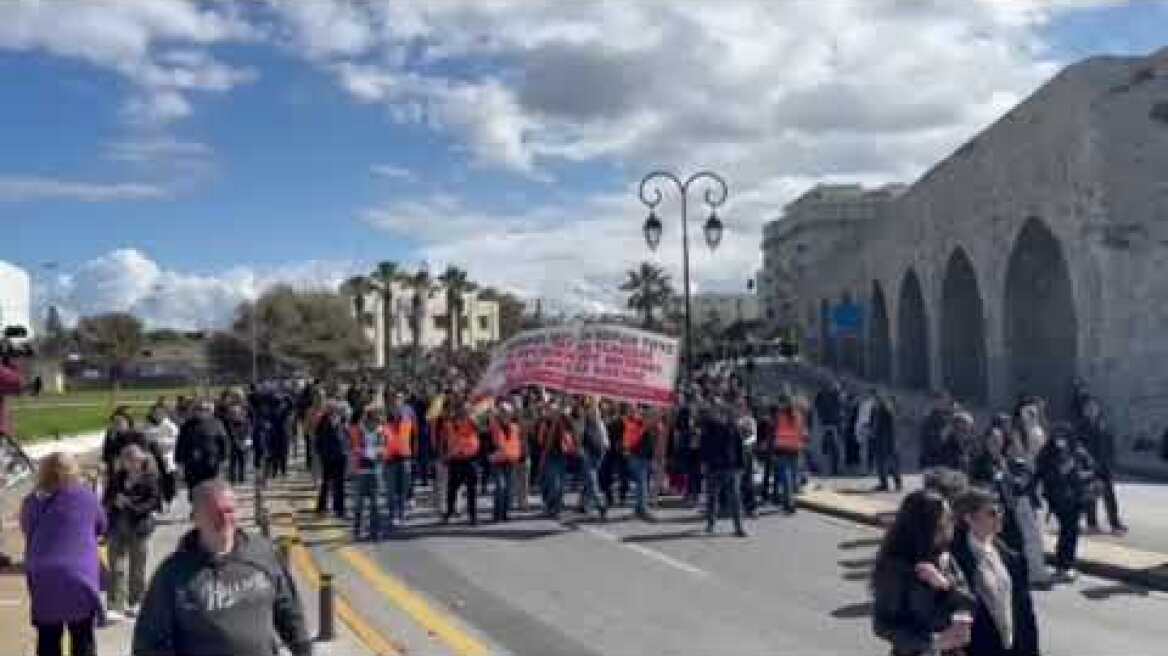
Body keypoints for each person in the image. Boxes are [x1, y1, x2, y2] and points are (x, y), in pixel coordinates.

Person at [132, 479, 312, 656]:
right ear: (195, 518)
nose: (225, 519)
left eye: (229, 511)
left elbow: (289, 609)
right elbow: (147, 643)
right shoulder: (172, 574)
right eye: (214, 513)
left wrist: (303, 648)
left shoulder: (262, 553)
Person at [20, 452, 106, 656]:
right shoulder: (86, 496)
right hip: (78, 574)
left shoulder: (32, 501)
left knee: (48, 637)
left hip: (43, 572)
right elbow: (101, 525)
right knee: (82, 635)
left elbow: (28, 529)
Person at [871, 489, 975, 656]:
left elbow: (969, 602)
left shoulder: (944, 556)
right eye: (944, 523)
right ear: (925, 527)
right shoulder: (896, 566)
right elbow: (883, 625)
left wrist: (946, 586)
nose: (951, 526)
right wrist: (932, 642)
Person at [950, 487, 1040, 656]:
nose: (999, 517)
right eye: (991, 513)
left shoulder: (1011, 557)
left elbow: (1025, 612)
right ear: (969, 518)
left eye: (1000, 511)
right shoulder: (953, 559)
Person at [103, 443, 161, 621]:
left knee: (137, 567)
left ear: (141, 460)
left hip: (139, 527)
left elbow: (153, 503)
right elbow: (106, 498)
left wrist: (130, 504)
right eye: (126, 460)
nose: (130, 463)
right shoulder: (117, 477)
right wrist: (114, 502)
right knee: (115, 566)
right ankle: (115, 605)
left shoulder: (150, 478)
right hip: (117, 526)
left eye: (134, 460)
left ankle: (136, 601)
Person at [1036, 421, 1098, 583]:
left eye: (1063, 436)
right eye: (1057, 436)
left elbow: (1092, 469)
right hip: (1058, 499)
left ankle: (1066, 564)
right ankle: (1063, 565)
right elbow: (1042, 473)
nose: (1060, 440)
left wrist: (1079, 474)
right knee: (1067, 531)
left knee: (1071, 531)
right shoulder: (1047, 452)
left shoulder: (1077, 451)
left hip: (1076, 498)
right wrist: (1060, 472)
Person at [1077, 397, 1127, 535]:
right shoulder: (1081, 427)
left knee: (1109, 496)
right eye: (1089, 408)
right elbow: (1078, 447)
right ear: (1084, 411)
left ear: (1098, 409)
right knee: (1091, 497)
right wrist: (1084, 463)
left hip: (1104, 467)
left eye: (1094, 407)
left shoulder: (1104, 425)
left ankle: (1115, 523)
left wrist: (1111, 463)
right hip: (1090, 467)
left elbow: (1110, 446)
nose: (1092, 410)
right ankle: (1092, 524)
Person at [700, 397, 748, 537]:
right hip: (713, 467)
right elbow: (704, 447)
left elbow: (739, 447)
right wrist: (704, 463)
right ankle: (710, 524)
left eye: (718, 408)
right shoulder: (708, 427)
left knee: (735, 498)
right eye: (714, 408)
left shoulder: (732, 426)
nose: (716, 411)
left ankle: (739, 527)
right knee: (712, 497)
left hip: (731, 467)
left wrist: (741, 465)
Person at [174, 399, 229, 499]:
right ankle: (196, 512)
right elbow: (180, 445)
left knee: (211, 492)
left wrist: (224, 460)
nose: (202, 411)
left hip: (211, 465)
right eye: (198, 409)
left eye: (205, 409)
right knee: (194, 494)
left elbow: (223, 443)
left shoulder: (217, 424)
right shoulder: (187, 426)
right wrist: (179, 464)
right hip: (192, 466)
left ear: (210, 411)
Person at [349, 406, 385, 541]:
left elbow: (381, 451)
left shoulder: (380, 433)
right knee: (359, 503)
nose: (374, 423)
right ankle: (357, 530)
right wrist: (370, 452)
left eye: (376, 421)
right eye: (372, 420)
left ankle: (375, 531)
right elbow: (356, 449)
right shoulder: (359, 432)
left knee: (375, 503)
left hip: (375, 471)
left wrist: (371, 452)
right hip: (361, 471)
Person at [443, 401, 481, 525]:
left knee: (472, 490)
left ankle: (473, 516)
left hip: (470, 460)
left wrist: (471, 417)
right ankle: (449, 512)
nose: (464, 413)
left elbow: (480, 428)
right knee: (452, 489)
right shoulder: (451, 423)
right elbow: (446, 439)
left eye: (466, 411)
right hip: (455, 460)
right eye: (462, 410)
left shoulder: (471, 422)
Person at [574, 397, 609, 520]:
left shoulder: (599, 422)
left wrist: (605, 449)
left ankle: (583, 504)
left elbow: (605, 439)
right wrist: (580, 450)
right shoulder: (583, 421)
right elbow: (578, 437)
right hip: (587, 453)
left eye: (596, 410)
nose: (594, 412)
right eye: (591, 409)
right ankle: (601, 504)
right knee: (592, 479)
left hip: (598, 453)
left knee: (588, 479)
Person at [383, 399, 416, 529]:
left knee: (402, 490)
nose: (397, 412)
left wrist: (413, 453)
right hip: (390, 461)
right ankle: (393, 515)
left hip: (404, 458)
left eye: (399, 409)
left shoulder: (407, 424)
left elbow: (414, 437)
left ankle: (401, 515)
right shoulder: (385, 426)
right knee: (391, 491)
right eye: (394, 410)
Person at [488, 403, 524, 522]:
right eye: (503, 411)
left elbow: (518, 442)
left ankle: (504, 513)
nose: (505, 414)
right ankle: (497, 514)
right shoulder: (494, 426)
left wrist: (519, 457)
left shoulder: (514, 427)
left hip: (510, 461)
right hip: (497, 461)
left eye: (507, 412)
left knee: (508, 489)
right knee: (500, 487)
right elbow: (487, 438)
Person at [771, 395, 807, 513]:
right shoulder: (798, 416)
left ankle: (789, 503)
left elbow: (774, 432)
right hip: (795, 449)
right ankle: (790, 501)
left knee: (786, 478)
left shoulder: (779, 416)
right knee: (792, 477)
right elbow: (803, 432)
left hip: (782, 449)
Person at [141, 403, 179, 510]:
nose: (157, 415)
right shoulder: (146, 425)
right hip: (152, 457)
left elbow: (175, 441)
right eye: (155, 413)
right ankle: (156, 504)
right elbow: (143, 439)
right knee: (154, 481)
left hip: (166, 456)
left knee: (168, 480)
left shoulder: (170, 426)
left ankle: (169, 499)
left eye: (160, 413)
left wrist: (160, 442)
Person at [315, 401, 348, 518]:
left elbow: (346, 437)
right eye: (331, 409)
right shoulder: (323, 421)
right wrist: (321, 453)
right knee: (326, 483)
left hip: (341, 456)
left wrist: (346, 451)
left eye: (335, 409)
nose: (334, 411)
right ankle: (321, 507)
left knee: (340, 484)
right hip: (328, 457)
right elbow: (317, 439)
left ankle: (339, 508)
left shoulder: (343, 421)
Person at [871, 393, 902, 492]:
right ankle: (885, 483)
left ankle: (896, 483)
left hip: (887, 441)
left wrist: (891, 442)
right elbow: (875, 425)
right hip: (881, 440)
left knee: (890, 464)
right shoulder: (877, 410)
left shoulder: (886, 411)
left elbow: (891, 428)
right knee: (882, 464)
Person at [813, 380, 844, 475]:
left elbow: (816, 408)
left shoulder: (821, 395)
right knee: (835, 448)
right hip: (833, 424)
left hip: (825, 424)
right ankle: (834, 469)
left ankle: (827, 469)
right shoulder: (835, 397)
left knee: (825, 448)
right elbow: (841, 409)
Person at [736, 397, 759, 517]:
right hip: (735, 453)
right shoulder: (734, 420)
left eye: (742, 405)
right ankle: (736, 506)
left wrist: (744, 443)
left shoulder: (750, 420)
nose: (740, 407)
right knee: (736, 482)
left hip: (746, 453)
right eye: (738, 405)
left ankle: (751, 507)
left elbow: (753, 437)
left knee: (748, 481)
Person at [223, 401, 253, 484]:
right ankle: (232, 479)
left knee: (243, 462)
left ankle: (242, 478)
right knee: (232, 463)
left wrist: (247, 444)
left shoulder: (246, 421)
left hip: (243, 445)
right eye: (233, 412)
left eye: (236, 412)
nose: (235, 414)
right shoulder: (228, 422)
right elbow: (229, 434)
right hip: (233, 445)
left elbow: (249, 433)